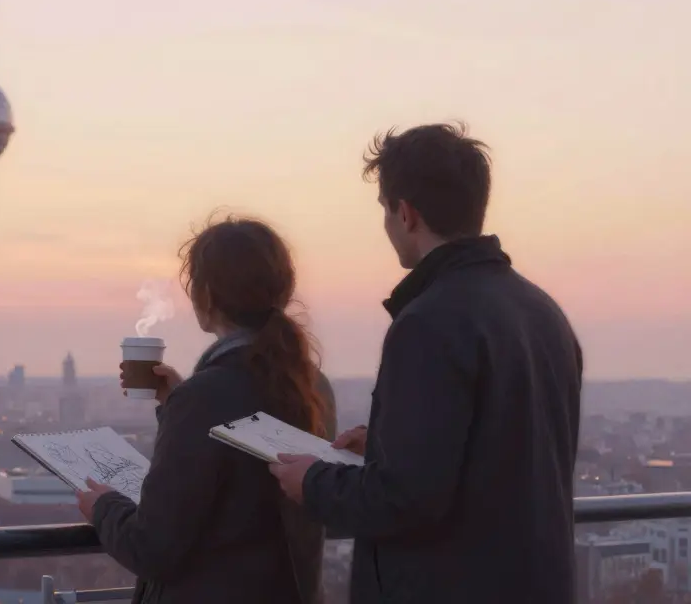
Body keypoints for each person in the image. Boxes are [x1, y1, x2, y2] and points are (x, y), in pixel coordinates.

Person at [269, 123, 583, 603]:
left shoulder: (430, 322)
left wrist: (312, 482)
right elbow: (503, 450)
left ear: (406, 213)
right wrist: (387, 443)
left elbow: (405, 500)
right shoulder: (540, 311)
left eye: (385, 211)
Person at [76, 216, 337, 604]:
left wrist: (103, 507)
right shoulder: (313, 386)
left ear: (207, 296)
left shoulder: (205, 398)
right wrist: (176, 404)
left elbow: (153, 547)